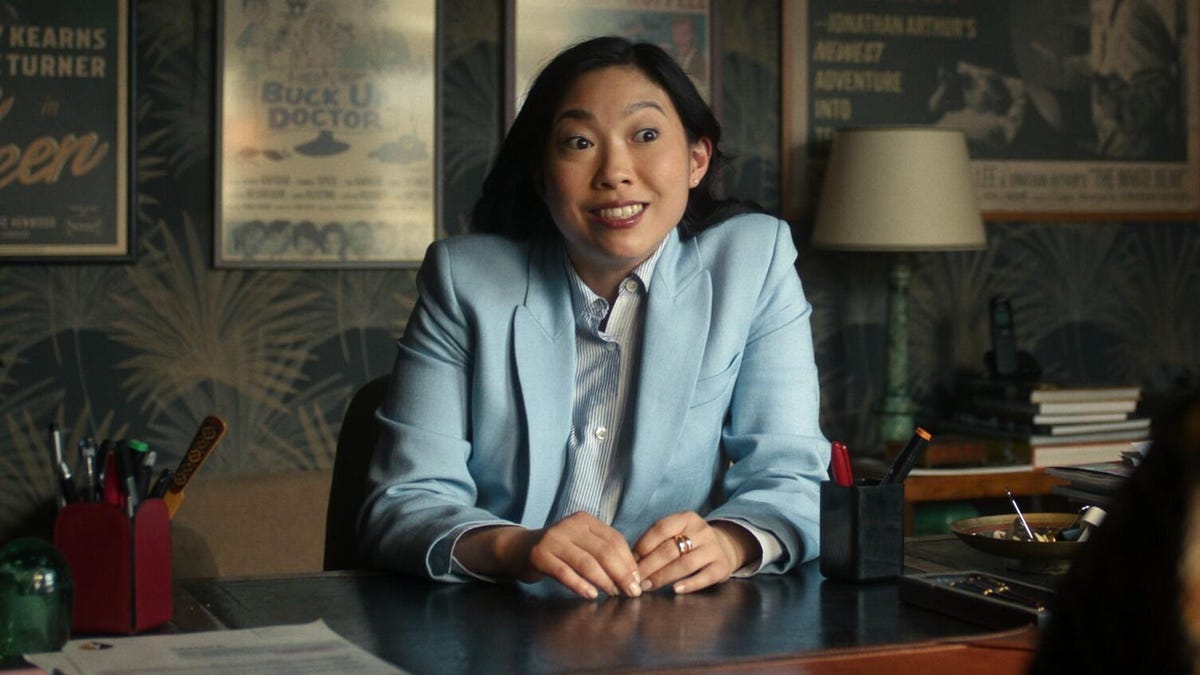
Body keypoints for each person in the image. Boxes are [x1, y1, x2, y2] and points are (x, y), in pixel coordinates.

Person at [358, 36, 828, 600]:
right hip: (498, 628)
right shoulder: (466, 282)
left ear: (697, 159)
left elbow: (793, 479)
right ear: (542, 176)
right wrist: (517, 547)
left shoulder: (753, 263)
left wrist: (730, 543)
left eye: (646, 135)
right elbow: (402, 504)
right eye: (579, 142)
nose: (615, 172)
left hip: (676, 629)